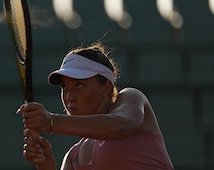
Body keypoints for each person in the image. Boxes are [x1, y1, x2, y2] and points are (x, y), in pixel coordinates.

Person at [16, 42, 174, 170]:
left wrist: (50, 122)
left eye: (78, 85)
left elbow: (120, 126)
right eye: (64, 87)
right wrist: (46, 166)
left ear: (106, 87)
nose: (69, 96)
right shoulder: (73, 156)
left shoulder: (131, 97)